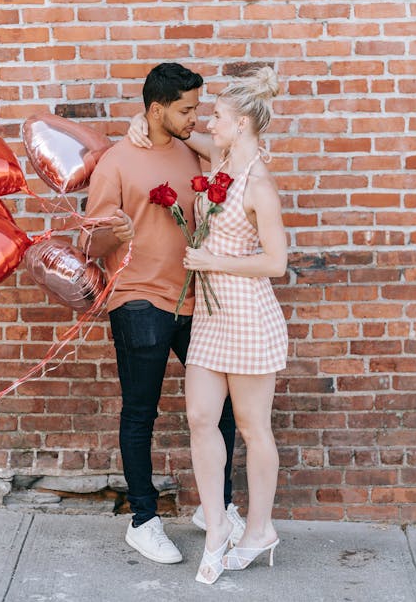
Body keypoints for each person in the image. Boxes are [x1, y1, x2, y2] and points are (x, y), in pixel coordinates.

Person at [129, 65, 288, 584]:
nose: (207, 121)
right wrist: (139, 124)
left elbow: (276, 263)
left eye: (217, 115)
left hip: (247, 314)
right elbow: (174, 130)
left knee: (252, 427)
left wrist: (211, 263)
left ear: (241, 123)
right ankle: (216, 527)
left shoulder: (259, 184)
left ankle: (259, 530)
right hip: (211, 317)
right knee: (200, 417)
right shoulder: (218, 158)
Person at [80, 62, 244, 566]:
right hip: (139, 301)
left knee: (223, 411)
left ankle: (216, 507)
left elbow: (231, 162)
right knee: (140, 413)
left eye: (197, 108)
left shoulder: (192, 151)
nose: (195, 117)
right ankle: (144, 522)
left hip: (196, 299)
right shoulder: (116, 163)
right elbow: (88, 242)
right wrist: (115, 232)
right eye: (186, 109)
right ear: (156, 109)